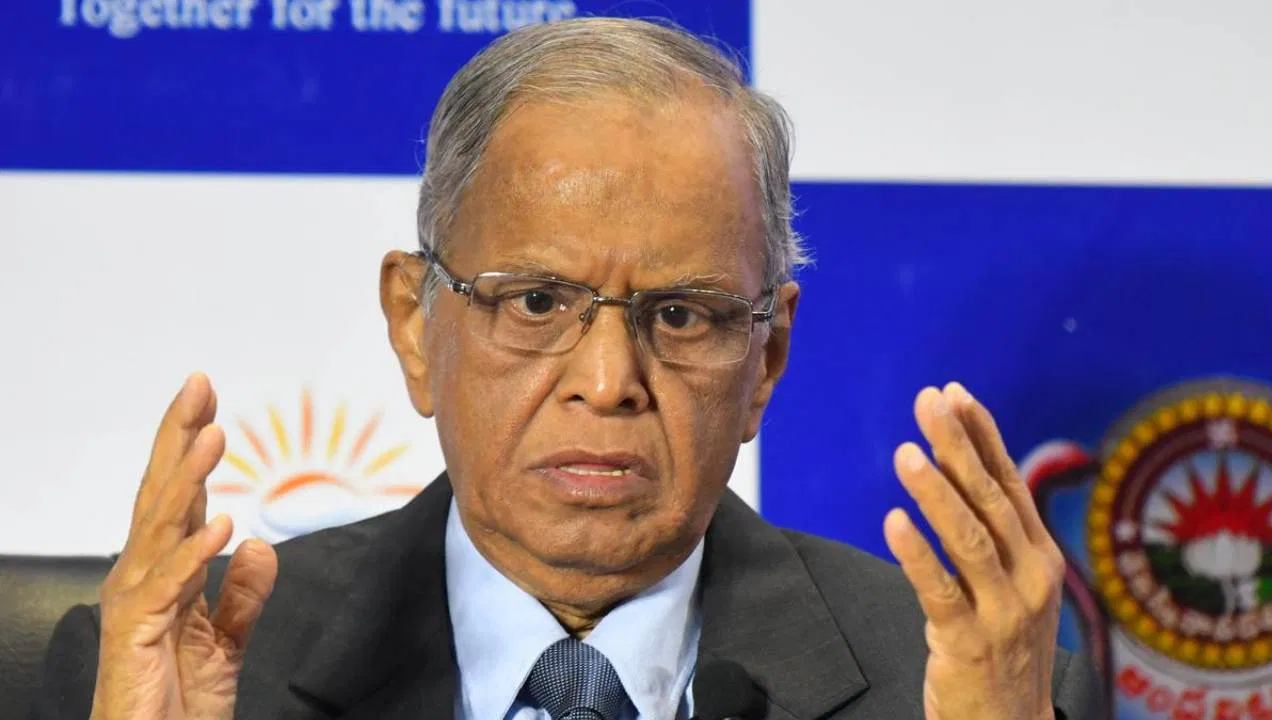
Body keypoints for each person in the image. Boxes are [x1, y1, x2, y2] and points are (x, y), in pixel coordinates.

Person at [33, 16, 1101, 720]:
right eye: (537, 301)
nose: (605, 379)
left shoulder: (967, 685)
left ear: (765, 357)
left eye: (679, 314)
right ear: (415, 325)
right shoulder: (169, 671)